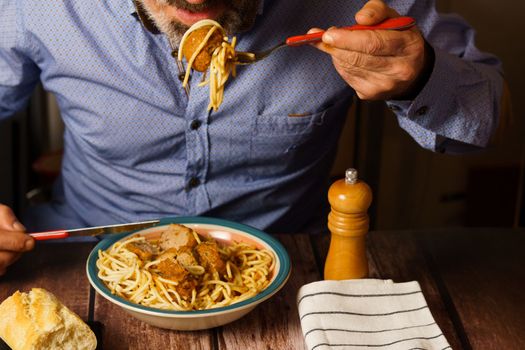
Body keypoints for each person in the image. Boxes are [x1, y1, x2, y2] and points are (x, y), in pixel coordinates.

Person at [0, 0, 504, 275]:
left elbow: (484, 119)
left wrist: (420, 75)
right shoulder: (39, 8)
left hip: (284, 265)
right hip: (79, 254)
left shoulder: (361, 2)